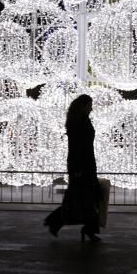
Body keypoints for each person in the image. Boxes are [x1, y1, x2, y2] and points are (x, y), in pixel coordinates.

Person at [44, 94, 101, 242]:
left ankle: (57, 222)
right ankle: (87, 229)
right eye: (89, 105)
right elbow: (76, 147)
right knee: (85, 198)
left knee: (81, 198)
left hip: (86, 164)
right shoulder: (77, 122)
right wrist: (77, 169)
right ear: (83, 106)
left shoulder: (81, 120)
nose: (91, 108)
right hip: (81, 165)